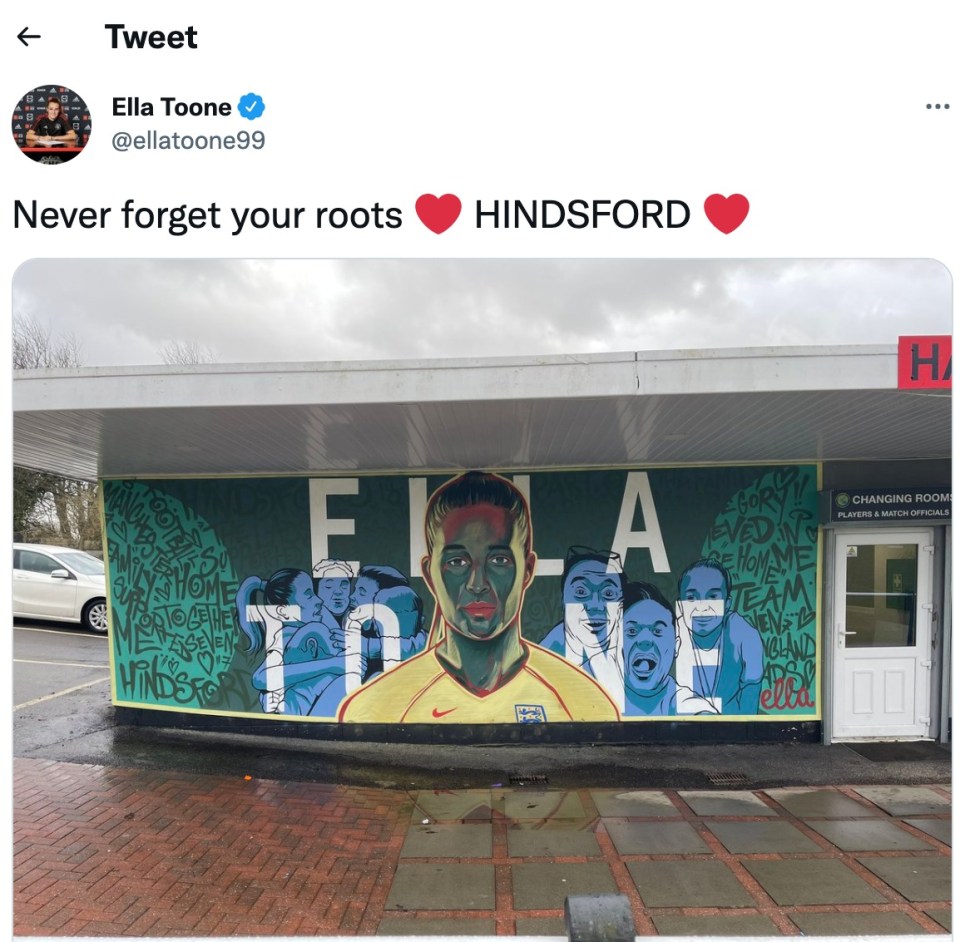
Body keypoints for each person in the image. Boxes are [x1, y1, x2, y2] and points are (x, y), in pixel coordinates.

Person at [338, 471, 620, 723]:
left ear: (528, 570)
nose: (477, 584)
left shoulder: (584, 704)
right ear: (429, 573)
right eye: (457, 562)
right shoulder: (377, 707)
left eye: (498, 560)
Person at [236, 568, 349, 716]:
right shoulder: (287, 635)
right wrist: (332, 665)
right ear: (284, 611)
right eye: (309, 595)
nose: (319, 600)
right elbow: (261, 678)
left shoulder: (309, 630)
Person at [675, 557, 764, 714]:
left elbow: (749, 707)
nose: (702, 608)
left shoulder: (745, 636)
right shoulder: (670, 635)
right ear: (680, 605)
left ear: (727, 604)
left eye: (713, 597)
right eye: (691, 598)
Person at [539, 547, 625, 704]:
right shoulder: (540, 666)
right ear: (563, 600)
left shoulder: (635, 656)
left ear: (621, 605)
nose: (595, 605)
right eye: (581, 591)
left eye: (608, 594)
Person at [620, 582, 717, 717]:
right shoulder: (599, 698)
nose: (645, 641)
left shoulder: (693, 707)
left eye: (657, 631)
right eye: (632, 631)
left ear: (676, 646)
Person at [346, 564, 427, 681]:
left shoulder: (418, 641)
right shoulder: (351, 627)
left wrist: (365, 646)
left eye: (362, 592)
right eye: (355, 590)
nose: (352, 597)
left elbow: (416, 645)